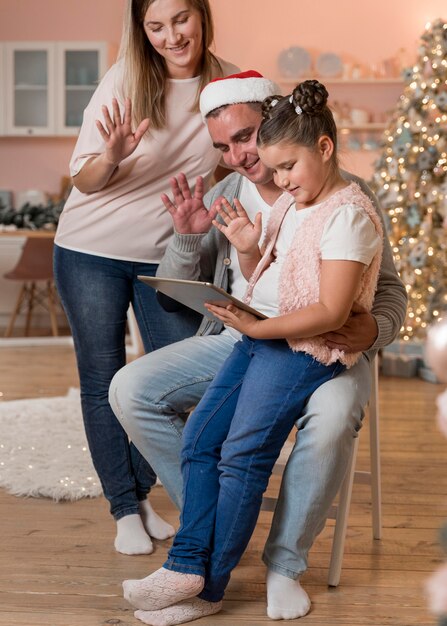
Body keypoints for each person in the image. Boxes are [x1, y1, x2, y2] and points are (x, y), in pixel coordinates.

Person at [109, 71, 407, 619]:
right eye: (222, 147)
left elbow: (376, 294)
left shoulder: (344, 199)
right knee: (174, 419)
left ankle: (270, 565)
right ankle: (205, 546)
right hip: (248, 334)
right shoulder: (239, 193)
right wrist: (196, 238)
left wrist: (375, 330)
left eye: (246, 139)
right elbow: (187, 295)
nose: (242, 158)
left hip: (318, 344)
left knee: (294, 430)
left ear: (270, 125)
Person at [53, 0, 238, 556]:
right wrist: (112, 155)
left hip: (170, 256)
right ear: (142, 30)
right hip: (90, 247)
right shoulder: (125, 79)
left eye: (180, 20)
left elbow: (242, 156)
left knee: (173, 385)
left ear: (201, 15)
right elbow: (84, 180)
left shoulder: (227, 84)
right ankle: (125, 508)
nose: (170, 36)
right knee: (102, 378)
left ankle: (141, 490)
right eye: (154, 26)